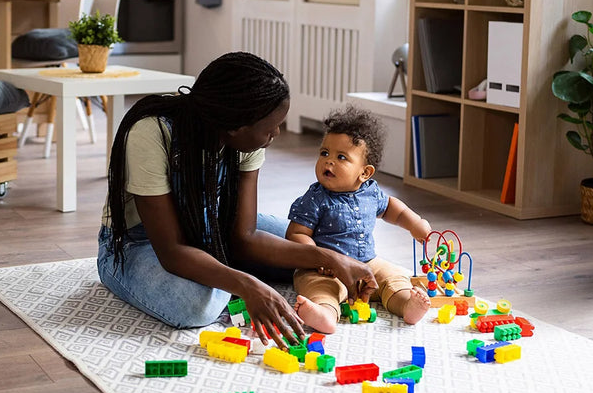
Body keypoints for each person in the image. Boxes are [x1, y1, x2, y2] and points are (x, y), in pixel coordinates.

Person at [97, 51, 377, 348]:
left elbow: (244, 236)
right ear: (234, 125)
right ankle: (221, 270)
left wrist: (330, 257)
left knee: (321, 243)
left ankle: (221, 267)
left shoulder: (245, 140)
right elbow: (172, 250)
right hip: (140, 244)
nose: (277, 134)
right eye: (270, 129)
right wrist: (247, 285)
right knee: (198, 305)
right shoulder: (152, 134)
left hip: (213, 229)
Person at [286, 104, 432, 334]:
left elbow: (393, 209)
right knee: (322, 289)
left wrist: (415, 223)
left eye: (341, 157)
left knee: (392, 278)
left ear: (365, 173)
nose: (328, 161)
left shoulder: (371, 192)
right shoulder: (315, 198)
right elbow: (296, 234)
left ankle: (406, 304)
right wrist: (318, 259)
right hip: (325, 270)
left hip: (367, 263)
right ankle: (324, 313)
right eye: (324, 153)